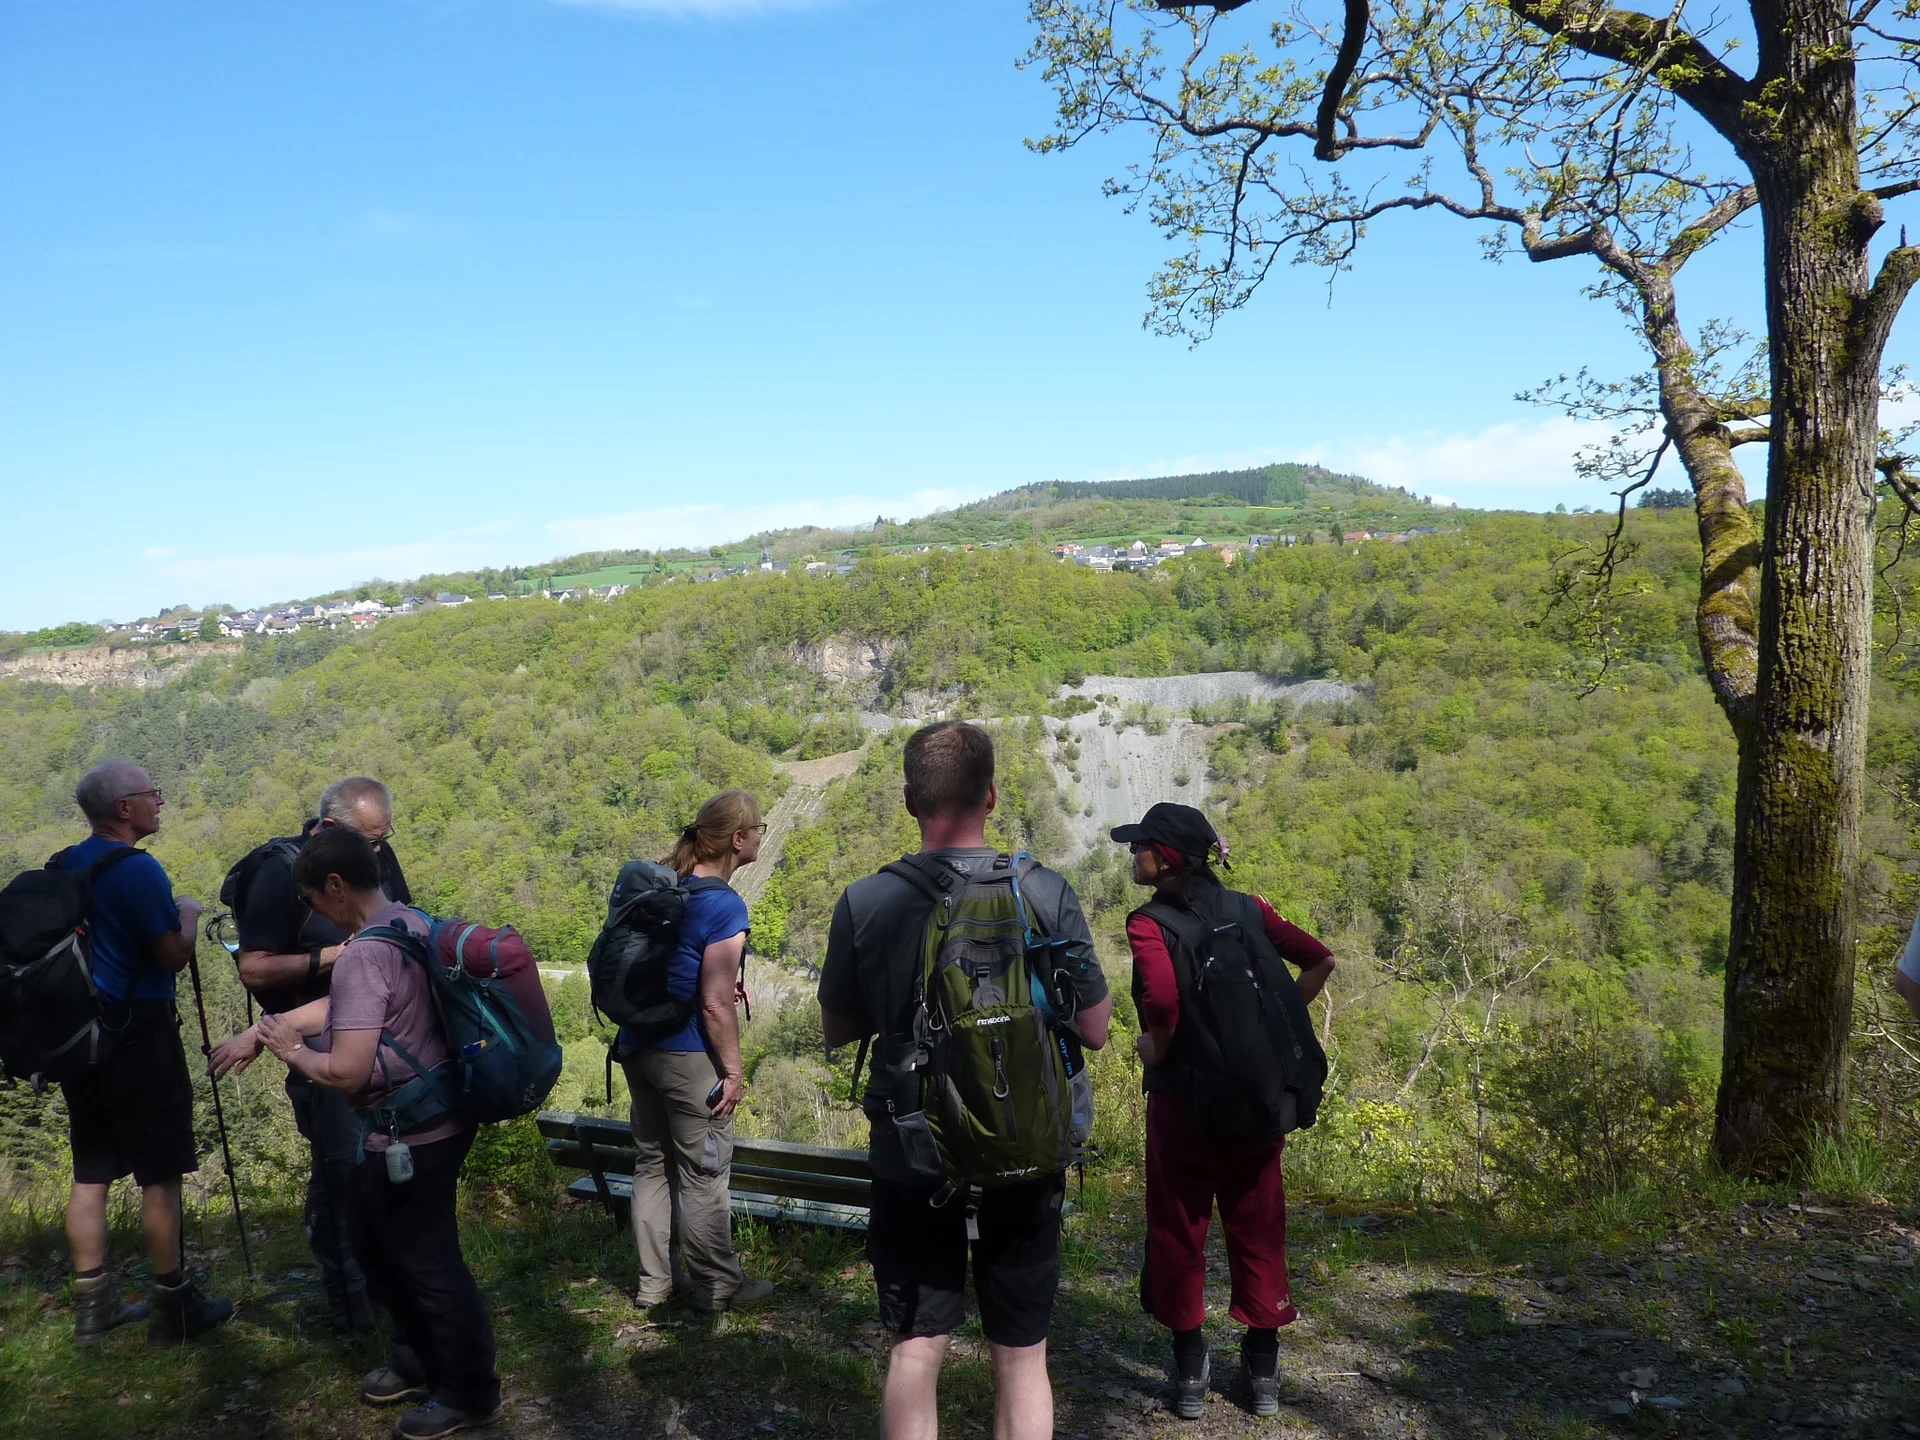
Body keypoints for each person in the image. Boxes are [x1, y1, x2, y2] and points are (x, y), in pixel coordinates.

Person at [818, 721, 1114, 1440]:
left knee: (916, 1351)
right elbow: (1097, 1029)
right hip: (1025, 1144)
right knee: (1022, 1354)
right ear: (991, 795)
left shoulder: (866, 901)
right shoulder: (1043, 891)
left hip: (913, 1150)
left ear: (909, 800)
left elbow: (838, 1029)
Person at [211, 827, 499, 1440]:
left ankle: (469, 1393)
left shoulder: (364, 954)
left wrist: (292, 1053)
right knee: (377, 1245)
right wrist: (267, 1031)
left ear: (336, 886)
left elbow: (345, 1070)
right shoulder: (411, 922)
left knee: (428, 1261)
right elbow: (350, 1007)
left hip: (412, 1130)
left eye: (312, 899)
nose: (315, 911)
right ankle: (416, 1361)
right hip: (436, 1115)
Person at [1115, 802, 1336, 1420]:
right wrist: (1272, 1025)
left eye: (1141, 845)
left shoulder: (1149, 924)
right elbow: (1320, 959)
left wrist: (1154, 1047)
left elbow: (1161, 1002)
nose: (1133, 853)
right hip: (1260, 1103)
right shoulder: (1251, 908)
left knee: (1178, 1225)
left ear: (1167, 859)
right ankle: (1262, 1369)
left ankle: (1190, 1369)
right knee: (1258, 1220)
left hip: (1185, 1104)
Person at [56, 760, 234, 1348]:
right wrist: (189, 913)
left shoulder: (65, 864)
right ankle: (172, 1305)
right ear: (123, 808)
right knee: (160, 1172)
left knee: (91, 1172)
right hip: (141, 1035)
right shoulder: (137, 869)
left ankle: (92, 1310)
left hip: (82, 1039)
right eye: (151, 794)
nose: (160, 802)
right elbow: (172, 955)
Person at [233, 776, 411, 1333]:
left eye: (383, 839)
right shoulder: (277, 875)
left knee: (383, 1154)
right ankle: (350, 1300)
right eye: (370, 840)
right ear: (330, 827)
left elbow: (395, 923)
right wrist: (338, 956)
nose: (378, 851)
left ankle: (388, 1282)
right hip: (317, 1037)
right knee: (341, 1164)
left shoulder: (374, 855)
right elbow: (254, 968)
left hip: (383, 1028)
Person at [620, 788, 774, 1313]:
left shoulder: (668, 889)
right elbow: (713, 1003)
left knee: (651, 1165)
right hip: (687, 1056)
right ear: (738, 839)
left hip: (638, 1046)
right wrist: (733, 1070)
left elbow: (679, 971)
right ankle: (717, 1287)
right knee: (704, 1173)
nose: (760, 838)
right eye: (759, 830)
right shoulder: (724, 903)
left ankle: (655, 1285)